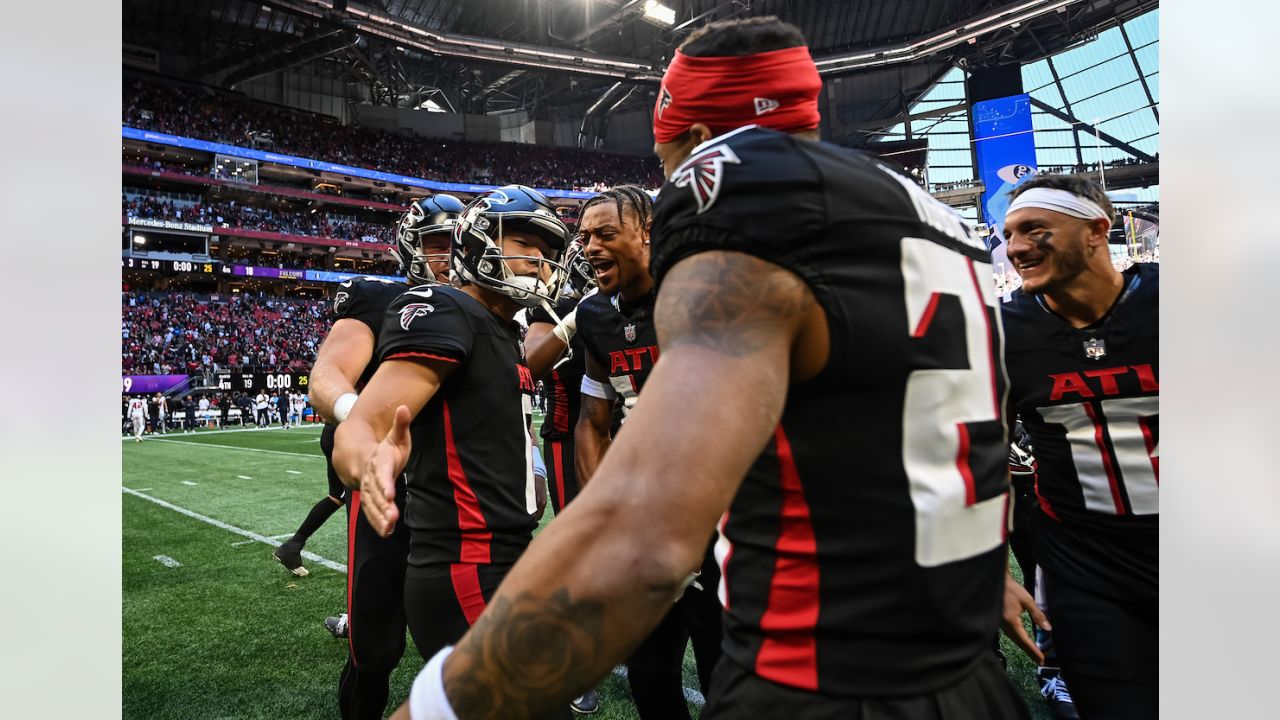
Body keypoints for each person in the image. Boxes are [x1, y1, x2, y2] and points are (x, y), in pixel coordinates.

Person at [378, 16, 1028, 720]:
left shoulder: (737, 191)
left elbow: (643, 536)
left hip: (816, 677)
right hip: (965, 677)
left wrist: (441, 706)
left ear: (690, 140)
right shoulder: (942, 222)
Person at [335, 185, 572, 720]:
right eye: (524, 243)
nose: (537, 260)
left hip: (505, 555)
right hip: (464, 560)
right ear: (479, 239)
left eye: (545, 249)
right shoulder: (444, 307)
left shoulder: (501, 329)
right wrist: (369, 464)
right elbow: (363, 426)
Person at [277, 194, 464, 720]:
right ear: (410, 245)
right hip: (391, 490)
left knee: (463, 651)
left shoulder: (481, 306)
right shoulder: (377, 299)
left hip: (462, 491)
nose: (447, 256)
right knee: (375, 651)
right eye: (434, 243)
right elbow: (327, 375)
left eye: (454, 244)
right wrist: (362, 418)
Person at [999, 173, 1158, 719]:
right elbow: (976, 455)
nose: (1016, 246)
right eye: (1009, 233)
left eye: (1034, 229)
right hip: (1088, 569)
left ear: (1096, 230)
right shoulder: (1002, 332)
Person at [573, 185, 721, 720]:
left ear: (649, 233)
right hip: (644, 524)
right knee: (651, 678)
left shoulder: (701, 293)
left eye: (606, 234)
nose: (590, 246)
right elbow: (591, 423)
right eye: (586, 235)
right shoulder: (594, 316)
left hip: (720, 521)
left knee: (725, 670)